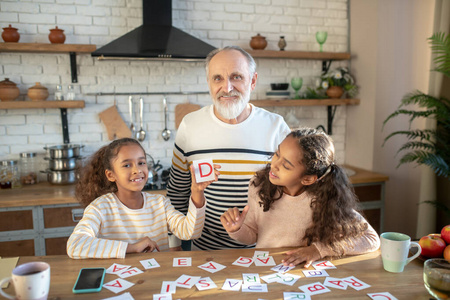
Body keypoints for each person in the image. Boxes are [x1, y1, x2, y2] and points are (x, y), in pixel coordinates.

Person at [167, 46, 291, 250]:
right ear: (208, 82)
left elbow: (295, 192)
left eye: (236, 77)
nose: (227, 87)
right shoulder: (190, 125)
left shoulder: (276, 127)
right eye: (217, 78)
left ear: (252, 80)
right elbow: (177, 192)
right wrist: (174, 244)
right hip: (206, 250)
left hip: (265, 248)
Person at [220, 128, 380, 267]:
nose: (274, 164)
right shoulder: (259, 185)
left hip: (305, 272)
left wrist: (318, 250)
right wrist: (237, 229)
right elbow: (252, 236)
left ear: (308, 179)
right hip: (265, 268)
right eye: (277, 154)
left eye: (286, 165)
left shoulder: (326, 199)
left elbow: (371, 239)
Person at [67, 138, 219, 259]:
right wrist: (132, 248)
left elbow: (190, 232)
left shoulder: (160, 203)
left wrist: (197, 192)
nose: (137, 170)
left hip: (155, 280)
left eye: (141, 163)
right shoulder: (100, 208)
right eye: (127, 165)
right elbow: (75, 245)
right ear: (110, 175)